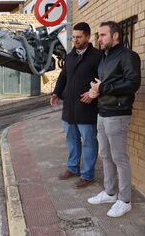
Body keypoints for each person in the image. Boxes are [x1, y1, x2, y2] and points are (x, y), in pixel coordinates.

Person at [87, 21, 141, 217]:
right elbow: (105, 84)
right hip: (103, 112)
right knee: (105, 154)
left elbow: (133, 83)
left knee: (119, 157)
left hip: (118, 114)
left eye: (102, 35)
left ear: (115, 36)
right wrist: (95, 91)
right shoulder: (104, 58)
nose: (99, 39)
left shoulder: (128, 56)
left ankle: (124, 200)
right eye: (98, 35)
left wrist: (103, 88)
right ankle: (110, 192)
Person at [50, 22, 101, 189]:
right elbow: (63, 76)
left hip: (86, 107)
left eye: (79, 37)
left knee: (88, 142)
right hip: (69, 107)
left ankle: (87, 175)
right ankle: (72, 168)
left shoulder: (97, 56)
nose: (76, 40)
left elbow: (103, 79)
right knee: (71, 140)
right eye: (74, 37)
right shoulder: (70, 56)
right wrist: (56, 93)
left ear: (87, 36)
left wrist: (93, 93)